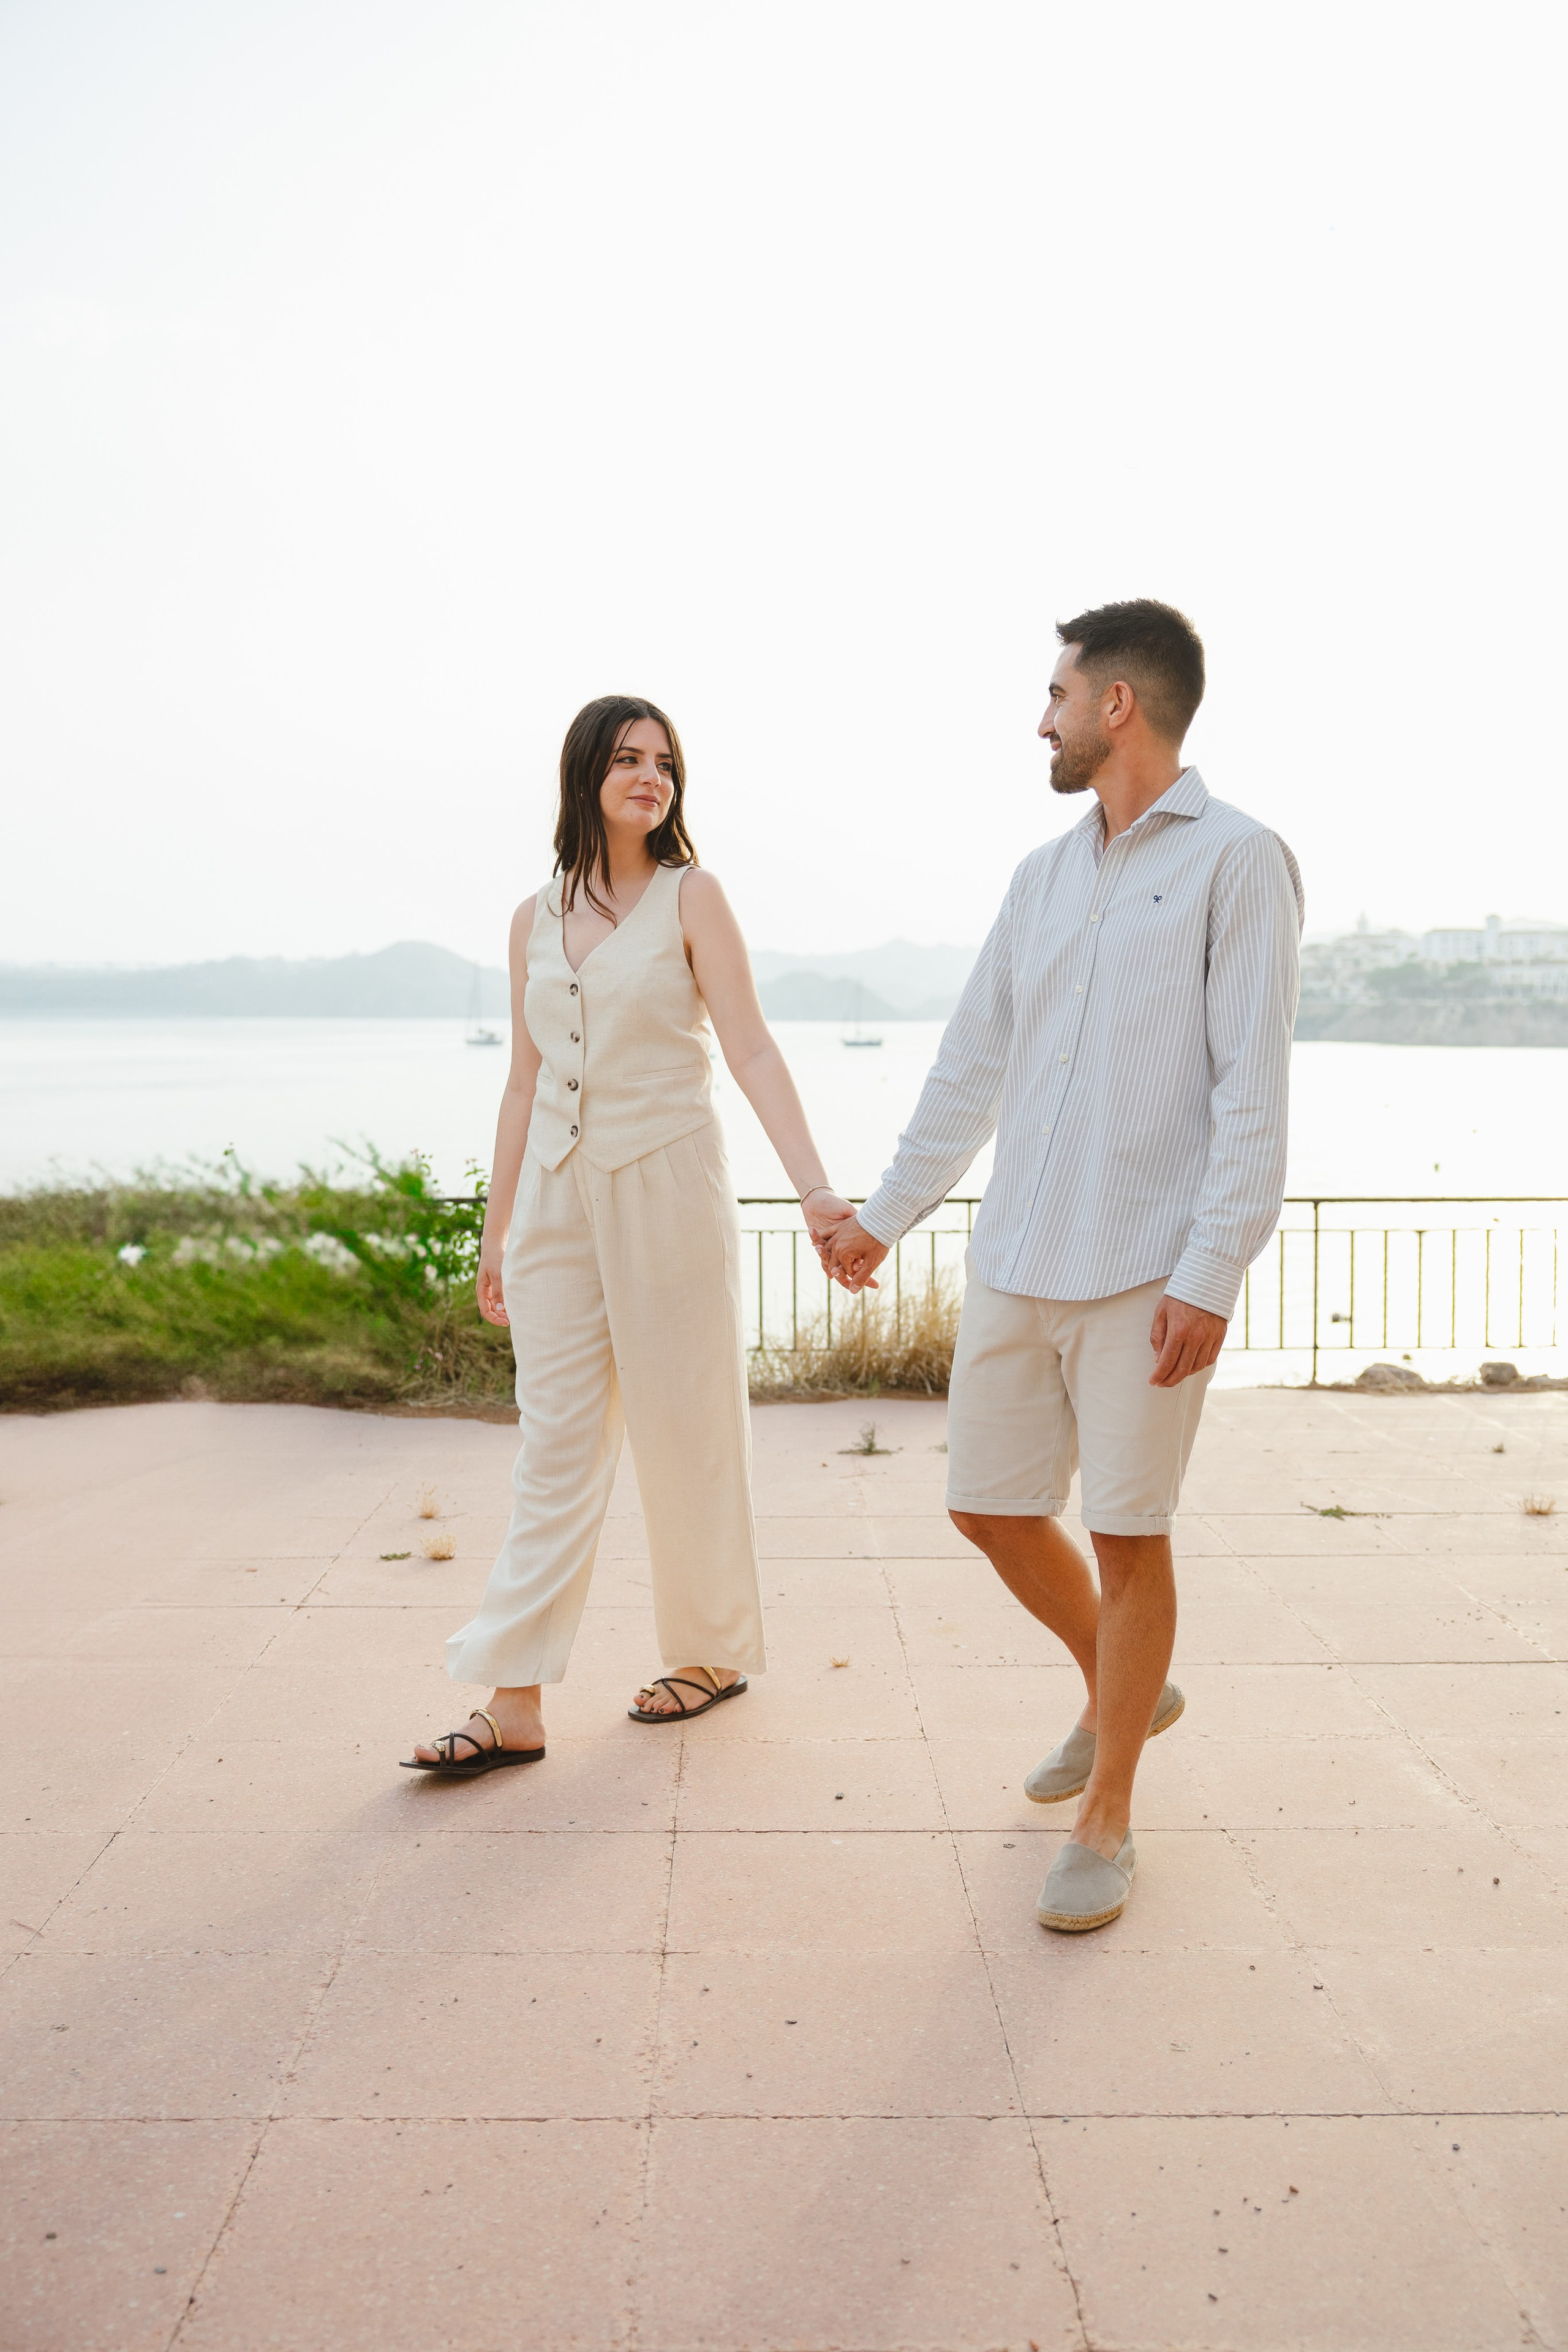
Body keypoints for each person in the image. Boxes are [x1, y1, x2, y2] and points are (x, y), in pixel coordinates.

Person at [820, 601, 1303, 1929]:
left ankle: (1108, 1815)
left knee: (1126, 1533)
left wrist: (1212, 1270)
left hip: (1147, 1266)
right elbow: (970, 1064)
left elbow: (1249, 1092)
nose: (1038, 717)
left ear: (1117, 708)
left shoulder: (1238, 862)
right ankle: (1122, 1688)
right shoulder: (1038, 877)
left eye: (1054, 694)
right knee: (986, 1506)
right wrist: (882, 1215)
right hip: (1016, 1256)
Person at [405, 695, 851, 1774]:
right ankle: (513, 1700)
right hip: (558, 1195)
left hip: (668, 1182)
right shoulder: (533, 916)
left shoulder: (694, 897)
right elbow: (521, 1083)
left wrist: (817, 1194)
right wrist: (495, 1230)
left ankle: (708, 1653)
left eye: (664, 762)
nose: (650, 776)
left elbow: (747, 1049)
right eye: (627, 759)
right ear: (585, 776)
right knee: (553, 1442)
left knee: (684, 1427)